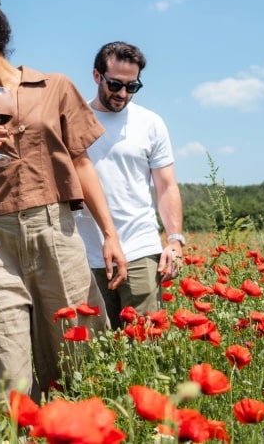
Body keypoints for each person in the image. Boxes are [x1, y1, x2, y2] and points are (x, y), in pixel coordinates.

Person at [0, 0, 127, 403]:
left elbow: (80, 164)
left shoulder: (55, 87)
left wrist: (110, 234)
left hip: (54, 235)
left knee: (76, 360)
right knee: (10, 376)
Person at [75, 41, 185, 329]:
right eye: (115, 84)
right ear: (96, 76)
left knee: (144, 344)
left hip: (140, 249)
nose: (123, 94)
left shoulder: (150, 123)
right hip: (87, 253)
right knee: (95, 353)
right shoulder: (74, 120)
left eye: (132, 87)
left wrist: (174, 240)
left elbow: (166, 186)